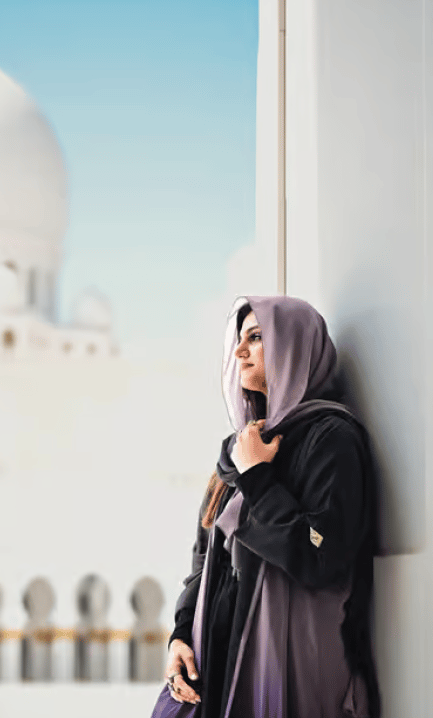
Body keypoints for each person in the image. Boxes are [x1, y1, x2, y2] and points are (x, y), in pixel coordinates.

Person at [156, 295, 381, 718]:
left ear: (294, 348)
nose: (239, 351)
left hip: (292, 671)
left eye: (256, 337)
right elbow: (204, 559)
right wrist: (181, 635)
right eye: (239, 339)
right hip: (216, 663)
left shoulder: (330, 439)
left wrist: (258, 477)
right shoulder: (239, 449)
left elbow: (321, 557)